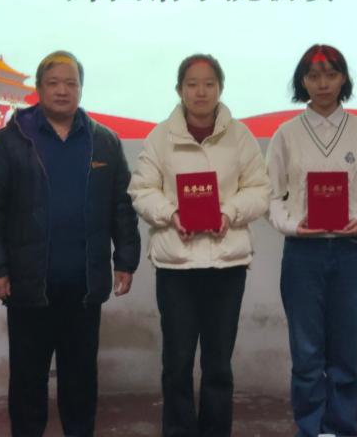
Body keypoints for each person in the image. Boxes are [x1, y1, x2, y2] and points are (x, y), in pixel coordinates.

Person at [0, 50, 140, 437]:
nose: (62, 90)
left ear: (81, 88)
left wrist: (126, 260)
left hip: (84, 286)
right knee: (28, 381)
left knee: (80, 381)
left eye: (71, 83)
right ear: (38, 88)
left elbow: (121, 206)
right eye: (53, 83)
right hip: (28, 286)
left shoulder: (104, 141)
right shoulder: (11, 140)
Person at [129, 54, 270, 437]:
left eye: (209, 83)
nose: (201, 91)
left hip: (227, 264)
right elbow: (142, 190)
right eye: (192, 84)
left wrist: (228, 213)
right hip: (176, 265)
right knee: (176, 362)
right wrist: (171, 214)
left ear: (220, 88)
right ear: (179, 89)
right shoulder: (160, 137)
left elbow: (260, 190)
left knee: (218, 363)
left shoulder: (240, 136)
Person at [267, 44, 357, 437]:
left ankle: (341, 428)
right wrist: (293, 225)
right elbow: (270, 195)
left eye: (331, 74)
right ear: (302, 82)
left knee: (344, 354)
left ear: (343, 79)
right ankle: (310, 429)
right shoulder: (286, 134)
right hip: (303, 254)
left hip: (352, 253)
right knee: (306, 354)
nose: (323, 84)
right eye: (313, 76)